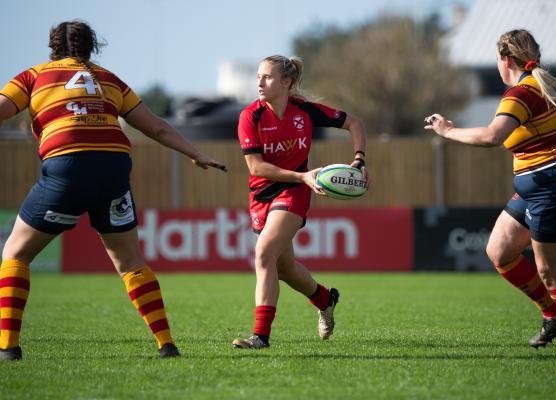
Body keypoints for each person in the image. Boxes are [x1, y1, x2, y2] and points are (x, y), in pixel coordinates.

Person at [0, 20, 227, 361]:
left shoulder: (34, 76)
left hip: (68, 168)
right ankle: (167, 345)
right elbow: (158, 127)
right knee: (130, 262)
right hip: (114, 169)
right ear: (91, 48)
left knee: (15, 255)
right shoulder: (109, 79)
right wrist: (196, 153)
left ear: (53, 47)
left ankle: (8, 348)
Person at [425, 29, 556, 352]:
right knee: (500, 251)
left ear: (505, 59)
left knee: (551, 272)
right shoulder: (550, 86)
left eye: (497, 60)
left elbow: (493, 136)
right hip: (551, 181)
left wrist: (447, 131)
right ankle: (554, 316)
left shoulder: (522, 93)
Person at [232, 55, 367, 349]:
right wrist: (301, 175)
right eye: (258, 76)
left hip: (295, 190)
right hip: (262, 195)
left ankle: (261, 337)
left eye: (267, 77)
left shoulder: (304, 111)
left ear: (286, 82)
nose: (259, 82)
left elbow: (354, 123)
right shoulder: (250, 116)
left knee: (264, 253)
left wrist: (359, 160)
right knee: (285, 269)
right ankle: (325, 299)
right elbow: (255, 168)